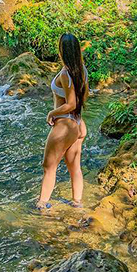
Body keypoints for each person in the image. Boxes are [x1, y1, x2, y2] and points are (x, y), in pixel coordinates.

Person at [36, 33, 89, 211]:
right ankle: (77, 204)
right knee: (75, 167)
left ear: (62, 51)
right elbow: (84, 97)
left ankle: (42, 207)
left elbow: (71, 103)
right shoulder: (81, 69)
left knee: (49, 167)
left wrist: (52, 112)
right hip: (79, 123)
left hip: (65, 125)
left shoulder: (66, 74)